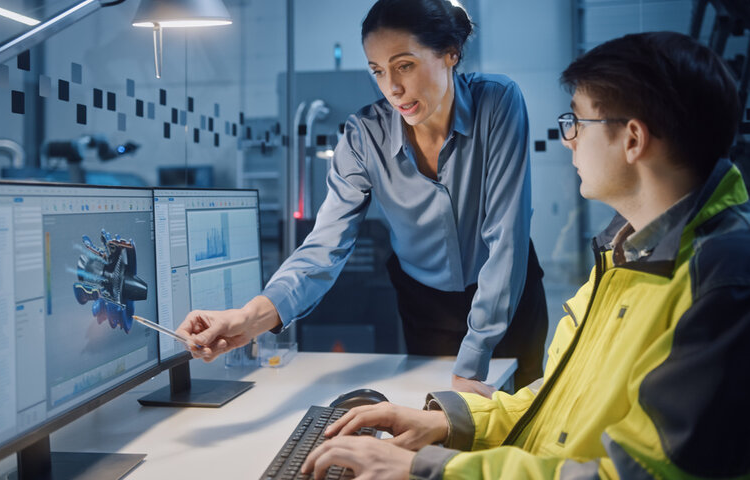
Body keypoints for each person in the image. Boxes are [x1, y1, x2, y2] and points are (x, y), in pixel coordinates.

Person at [300, 31, 750, 479]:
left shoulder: (718, 283)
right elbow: (558, 403)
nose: (568, 140)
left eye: (577, 123)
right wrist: (446, 423)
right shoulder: (626, 256)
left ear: (632, 139)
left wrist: (431, 468)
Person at [178, 0, 548, 394]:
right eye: (378, 71)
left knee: (521, 422)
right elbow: (323, 249)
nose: (393, 88)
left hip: (509, 298)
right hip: (426, 308)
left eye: (404, 65)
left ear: (450, 53)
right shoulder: (362, 136)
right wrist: (248, 318)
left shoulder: (499, 102)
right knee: (442, 432)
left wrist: (472, 363)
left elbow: (506, 237)